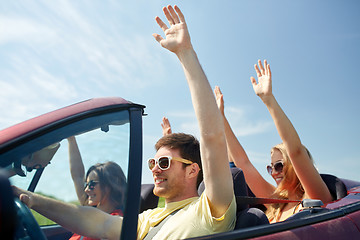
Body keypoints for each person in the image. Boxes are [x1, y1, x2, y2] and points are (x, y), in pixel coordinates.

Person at [13, 5, 236, 240]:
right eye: (152, 162)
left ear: (192, 169)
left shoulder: (210, 210)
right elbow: (96, 223)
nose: (154, 169)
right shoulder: (149, 218)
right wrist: (26, 197)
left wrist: (185, 53)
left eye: (163, 162)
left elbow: (212, 138)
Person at [214, 60, 333, 223]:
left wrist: (268, 100)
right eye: (270, 168)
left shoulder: (315, 196)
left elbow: (296, 151)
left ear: (293, 165)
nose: (274, 172)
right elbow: (243, 162)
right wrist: (221, 117)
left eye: (279, 165)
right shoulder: (275, 202)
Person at [67, 136, 126, 240]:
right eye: (86, 184)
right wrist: (71, 139)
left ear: (109, 186)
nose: (86, 190)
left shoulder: (115, 222)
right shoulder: (90, 211)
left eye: (91, 185)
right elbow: (77, 176)